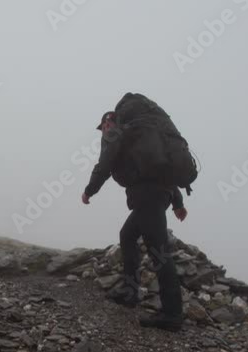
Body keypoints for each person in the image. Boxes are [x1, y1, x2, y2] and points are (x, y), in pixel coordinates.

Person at [81, 99, 190, 331]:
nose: (103, 131)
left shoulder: (118, 132)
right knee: (128, 235)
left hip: (147, 196)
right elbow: (162, 172)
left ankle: (172, 314)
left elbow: (105, 164)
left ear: (108, 121)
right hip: (156, 195)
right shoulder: (144, 136)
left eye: (103, 127)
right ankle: (129, 292)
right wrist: (177, 202)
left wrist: (89, 190)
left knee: (159, 252)